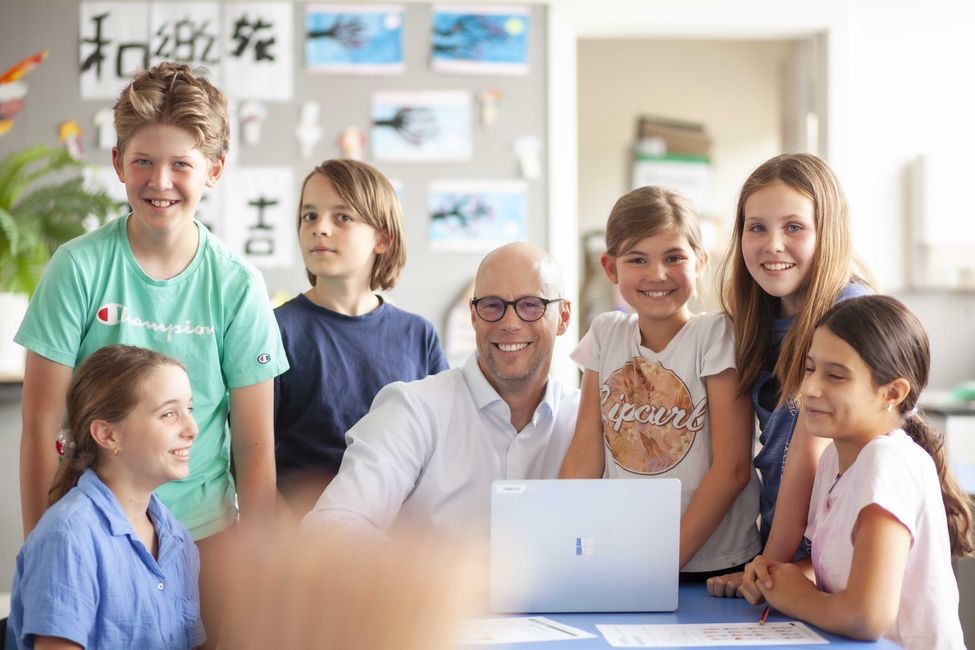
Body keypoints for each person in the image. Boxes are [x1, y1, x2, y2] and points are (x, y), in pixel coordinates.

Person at [14, 62, 288, 645]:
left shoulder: (238, 285)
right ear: (118, 164)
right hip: (93, 533)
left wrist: (262, 573)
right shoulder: (78, 267)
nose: (160, 181)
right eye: (143, 161)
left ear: (213, 170)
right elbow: (41, 425)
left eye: (181, 164)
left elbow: (254, 444)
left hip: (205, 536)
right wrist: (46, 552)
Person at [739, 296, 972, 648]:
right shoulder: (835, 456)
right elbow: (844, 570)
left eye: (835, 376)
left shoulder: (886, 461)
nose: (811, 389)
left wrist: (796, 598)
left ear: (892, 393)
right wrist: (779, 579)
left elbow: (867, 616)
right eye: (809, 369)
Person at [302, 242, 578, 537]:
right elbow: (331, 524)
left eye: (531, 305)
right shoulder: (413, 409)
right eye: (492, 305)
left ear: (562, 317)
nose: (510, 323)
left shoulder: (586, 420)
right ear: (473, 317)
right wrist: (428, 579)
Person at [559, 186, 761, 577]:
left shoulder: (716, 336)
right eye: (637, 259)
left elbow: (733, 468)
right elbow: (585, 453)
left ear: (700, 262)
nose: (657, 274)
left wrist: (662, 565)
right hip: (630, 558)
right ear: (610, 268)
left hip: (714, 567)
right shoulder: (605, 334)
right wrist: (552, 538)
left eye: (674, 257)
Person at [707, 153, 873, 597]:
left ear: (828, 232)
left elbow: (807, 457)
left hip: (842, 553)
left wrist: (769, 568)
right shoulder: (757, 318)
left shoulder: (850, 314)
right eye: (756, 227)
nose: (772, 244)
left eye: (793, 227)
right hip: (789, 547)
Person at [274, 159, 447, 515]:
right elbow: (248, 458)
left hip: (396, 542)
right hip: (304, 543)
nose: (320, 228)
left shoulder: (418, 335)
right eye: (309, 216)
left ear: (383, 238)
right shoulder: (275, 330)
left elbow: (441, 449)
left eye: (342, 217)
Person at [5, 345, 205, 650]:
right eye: (168, 414)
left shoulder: (178, 541)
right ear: (108, 435)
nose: (192, 429)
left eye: (189, 409)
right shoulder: (68, 537)